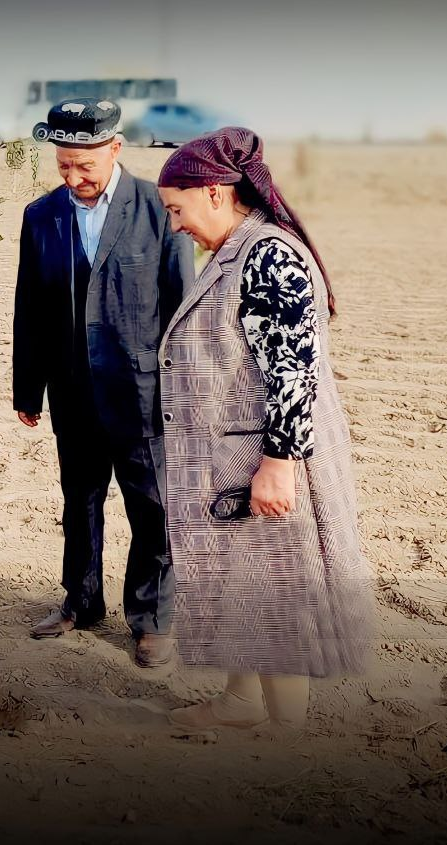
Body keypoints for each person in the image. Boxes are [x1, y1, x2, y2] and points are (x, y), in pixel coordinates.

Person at [155, 127, 372, 733]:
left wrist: (279, 464)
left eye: (178, 209)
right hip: (234, 453)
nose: (175, 225)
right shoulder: (236, 250)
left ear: (217, 193)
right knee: (239, 583)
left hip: (263, 456)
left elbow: (293, 367)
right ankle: (241, 702)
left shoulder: (268, 253)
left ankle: (284, 733)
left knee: (276, 591)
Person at [14, 99, 195, 667]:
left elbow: (180, 304)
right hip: (72, 390)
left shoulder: (157, 208)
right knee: (80, 501)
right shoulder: (41, 216)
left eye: (84, 167)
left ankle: (151, 619)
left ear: (115, 149)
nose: (73, 179)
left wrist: (182, 389)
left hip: (144, 391)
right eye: (63, 166)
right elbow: (30, 308)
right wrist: (28, 388)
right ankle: (80, 602)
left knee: (152, 506)